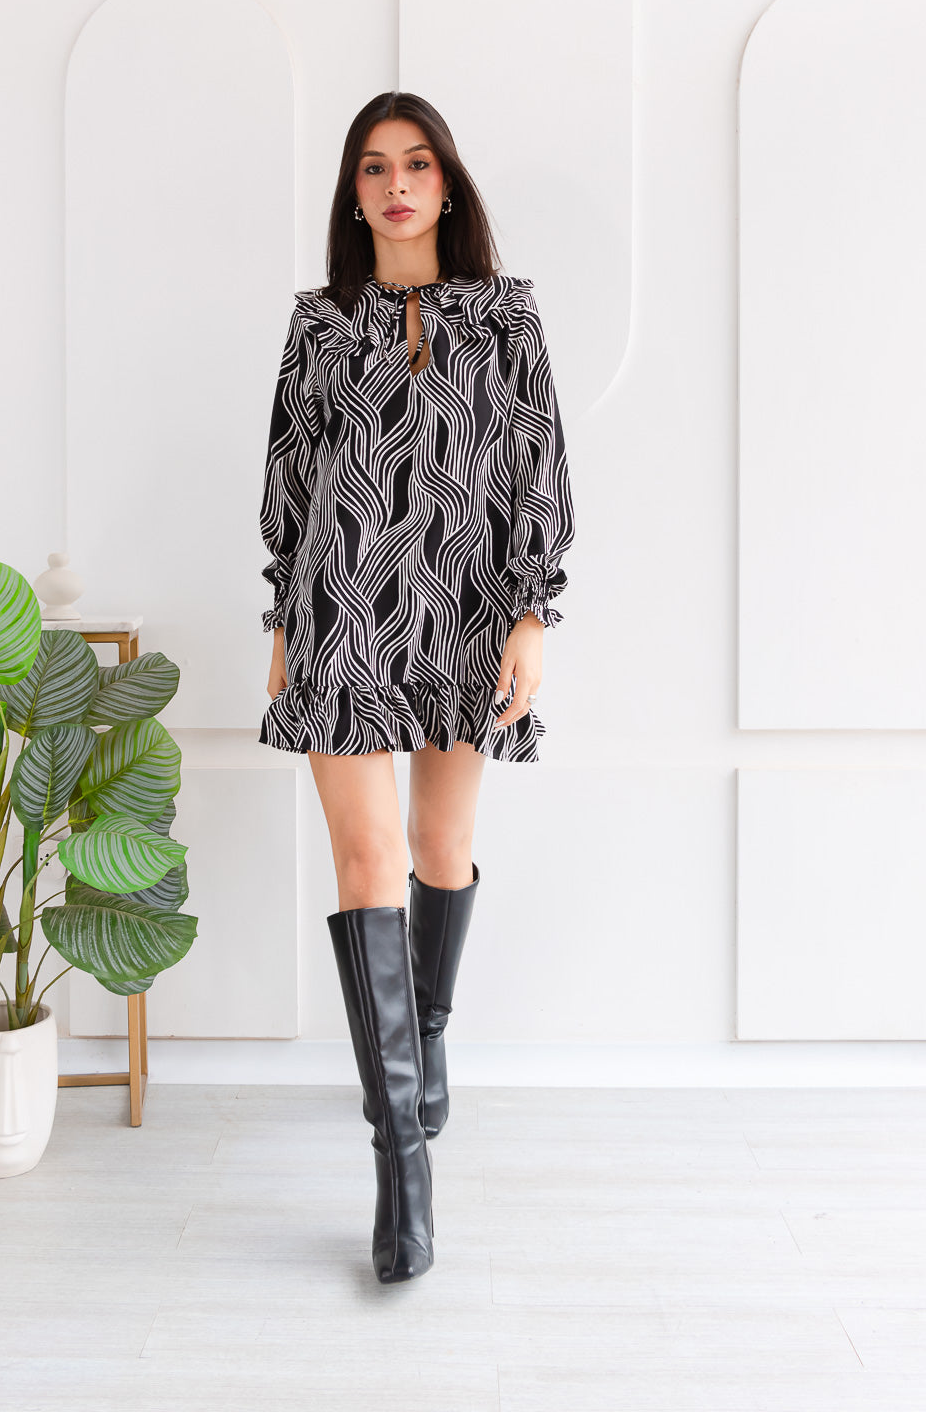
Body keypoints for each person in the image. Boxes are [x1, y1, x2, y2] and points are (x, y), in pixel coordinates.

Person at [257, 91, 576, 1283]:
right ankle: (400, 1164)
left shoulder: (504, 316)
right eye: (373, 168)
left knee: (441, 846)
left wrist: (530, 615)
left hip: (462, 612)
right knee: (365, 859)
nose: (396, 185)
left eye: (417, 164)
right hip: (340, 609)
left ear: (445, 185)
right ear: (354, 193)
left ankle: (426, 1033)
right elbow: (291, 480)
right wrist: (284, 617)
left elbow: (538, 467)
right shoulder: (319, 324)